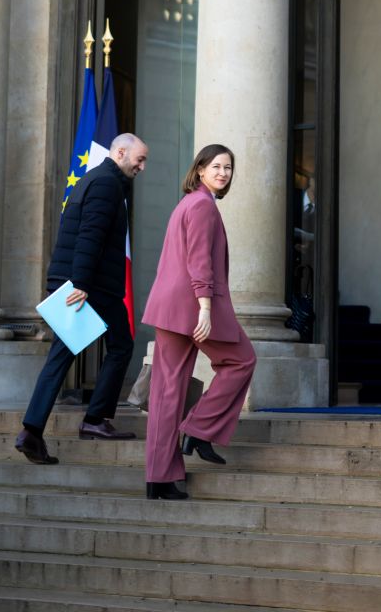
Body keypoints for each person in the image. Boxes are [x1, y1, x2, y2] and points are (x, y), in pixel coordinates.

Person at [15, 131, 148, 465]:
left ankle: (32, 431)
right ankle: (95, 420)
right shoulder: (106, 184)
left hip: (82, 282)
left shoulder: (96, 179)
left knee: (63, 354)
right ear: (120, 152)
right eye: (139, 159)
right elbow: (91, 235)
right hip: (91, 286)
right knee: (121, 345)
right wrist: (82, 283)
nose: (142, 167)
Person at [141, 143, 256, 501]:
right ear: (201, 169)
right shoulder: (203, 206)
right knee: (242, 360)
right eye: (217, 166)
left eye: (229, 168)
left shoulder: (186, 203)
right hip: (193, 307)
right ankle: (198, 429)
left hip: (168, 307)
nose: (223, 173)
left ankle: (159, 478)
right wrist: (205, 307)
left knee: (166, 392)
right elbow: (199, 262)